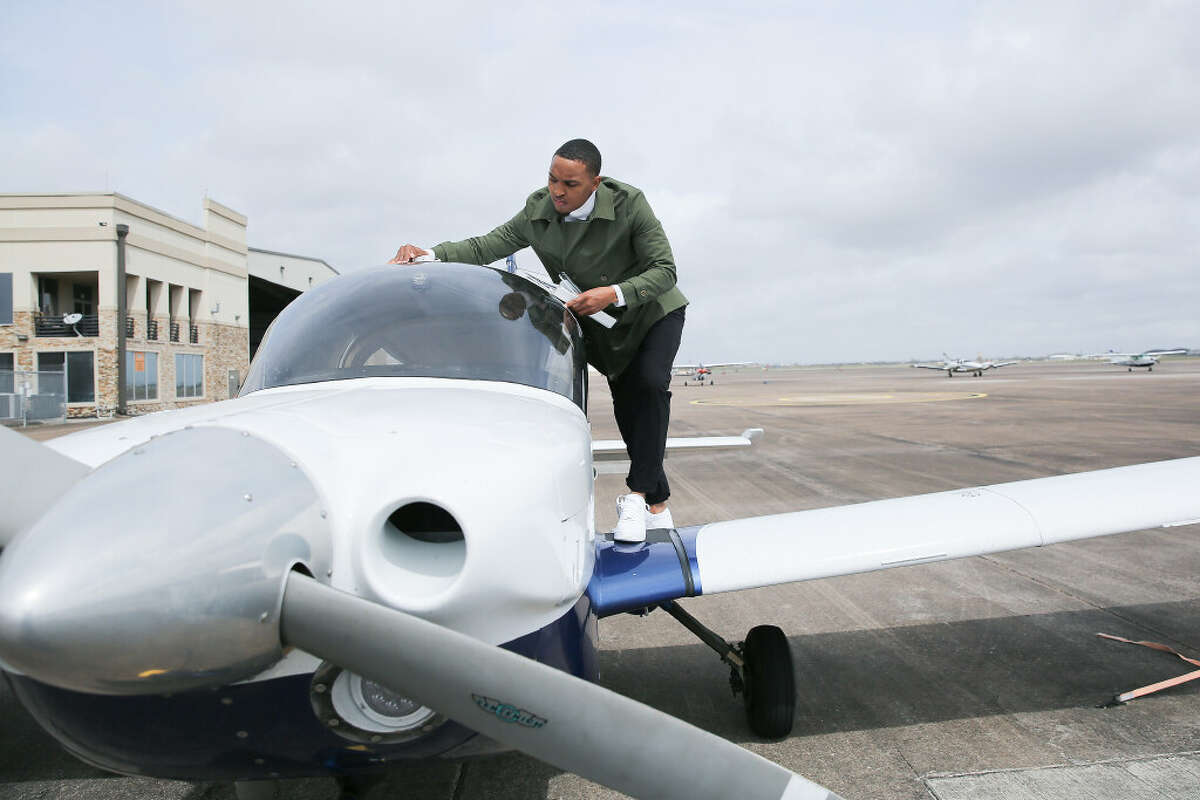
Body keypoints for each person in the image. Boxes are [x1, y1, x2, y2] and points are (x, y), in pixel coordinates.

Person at [389, 138, 687, 543]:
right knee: (631, 413)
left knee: (649, 385)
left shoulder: (629, 203)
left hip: (651, 311)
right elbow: (485, 246)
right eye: (552, 179)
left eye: (570, 184)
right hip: (603, 324)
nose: (558, 191)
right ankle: (659, 507)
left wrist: (613, 292)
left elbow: (665, 270)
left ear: (595, 182)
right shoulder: (538, 210)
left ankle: (635, 498)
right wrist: (429, 255)